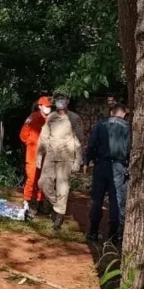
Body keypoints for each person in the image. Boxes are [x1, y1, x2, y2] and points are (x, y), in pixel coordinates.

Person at [36, 91, 84, 231]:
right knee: (43, 183)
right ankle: (57, 205)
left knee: (63, 186)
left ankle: (59, 215)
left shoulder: (74, 118)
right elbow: (44, 137)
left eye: (62, 99)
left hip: (66, 156)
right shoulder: (51, 117)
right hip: (51, 155)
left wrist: (77, 160)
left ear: (68, 101)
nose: (60, 101)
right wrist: (39, 155)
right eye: (57, 99)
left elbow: (79, 141)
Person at [85, 104, 130, 244]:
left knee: (97, 199)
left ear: (112, 112)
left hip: (101, 165)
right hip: (118, 166)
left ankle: (93, 232)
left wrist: (87, 161)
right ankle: (113, 236)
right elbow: (130, 147)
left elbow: (92, 144)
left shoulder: (100, 125)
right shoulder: (128, 128)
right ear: (124, 114)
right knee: (116, 200)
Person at [19, 96, 53, 219]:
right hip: (33, 155)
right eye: (46, 106)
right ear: (40, 106)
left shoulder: (52, 120)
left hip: (46, 156)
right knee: (32, 179)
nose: (48, 109)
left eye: (50, 107)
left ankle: (39, 203)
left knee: (43, 180)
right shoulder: (32, 118)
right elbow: (23, 135)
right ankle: (27, 202)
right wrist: (33, 144)